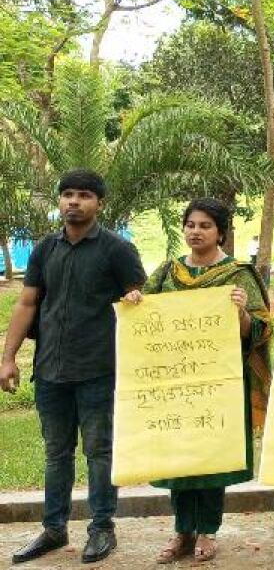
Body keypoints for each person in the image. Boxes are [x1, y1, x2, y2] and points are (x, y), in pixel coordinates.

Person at [1, 170, 146, 565]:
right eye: (67, 194)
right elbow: (27, 304)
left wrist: (135, 298)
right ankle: (53, 529)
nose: (73, 202)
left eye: (83, 195)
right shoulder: (44, 249)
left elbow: (139, 304)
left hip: (100, 369)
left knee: (100, 451)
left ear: (99, 203)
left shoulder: (117, 250)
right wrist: (8, 357)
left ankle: (102, 529)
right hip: (50, 370)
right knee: (56, 452)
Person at [120, 198, 273, 563]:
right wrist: (135, 300)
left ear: (220, 232)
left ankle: (207, 531)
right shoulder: (167, 272)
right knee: (177, 458)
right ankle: (181, 531)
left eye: (205, 225)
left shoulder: (238, 274)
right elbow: (144, 319)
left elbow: (260, 330)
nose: (195, 231)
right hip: (173, 385)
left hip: (220, 385)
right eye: (190, 224)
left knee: (211, 459)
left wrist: (239, 313)